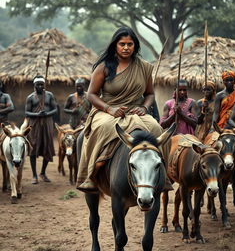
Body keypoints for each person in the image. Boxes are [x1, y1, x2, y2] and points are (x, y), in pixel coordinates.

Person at [76, 26, 172, 192]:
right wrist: (109, 109)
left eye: (130, 44)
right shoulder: (104, 67)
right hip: (107, 111)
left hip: (136, 111)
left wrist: (144, 107)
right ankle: (91, 174)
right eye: (122, 44)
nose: (126, 47)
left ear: (135, 46)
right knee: (105, 127)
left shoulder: (144, 67)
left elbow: (150, 94)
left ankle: (164, 177)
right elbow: (91, 95)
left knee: (156, 128)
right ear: (115, 45)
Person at [25, 75, 57, 184]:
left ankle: (42, 172)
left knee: (47, 148)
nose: (40, 86)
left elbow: (55, 109)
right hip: (34, 125)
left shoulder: (49, 95)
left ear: (44, 85)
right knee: (33, 149)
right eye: (38, 84)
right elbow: (27, 112)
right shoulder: (30, 97)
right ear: (34, 85)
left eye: (42, 84)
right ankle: (34, 175)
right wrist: (37, 114)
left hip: (47, 124)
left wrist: (47, 113)